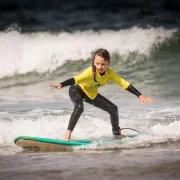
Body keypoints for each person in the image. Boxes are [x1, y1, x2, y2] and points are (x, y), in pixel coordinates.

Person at [49, 48, 152, 140]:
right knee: (79, 107)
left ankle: (116, 133)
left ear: (108, 63)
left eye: (103, 64)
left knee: (113, 109)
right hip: (77, 89)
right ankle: (67, 136)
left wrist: (139, 95)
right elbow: (75, 79)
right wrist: (61, 84)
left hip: (91, 93)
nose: (100, 66)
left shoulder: (110, 74)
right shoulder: (89, 72)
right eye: (97, 63)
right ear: (94, 62)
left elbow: (124, 83)